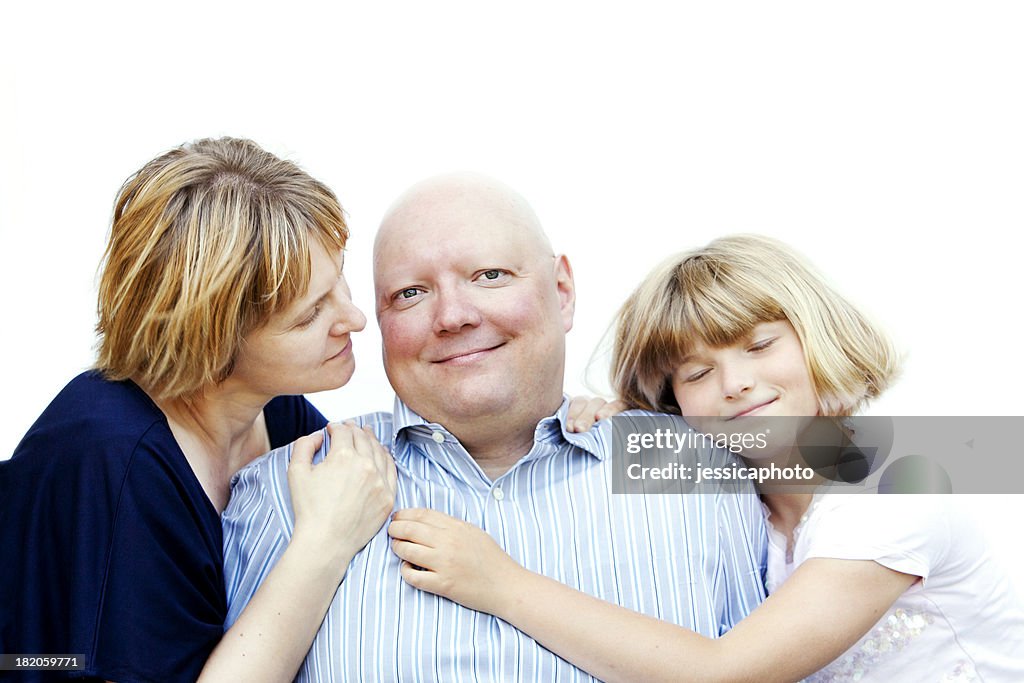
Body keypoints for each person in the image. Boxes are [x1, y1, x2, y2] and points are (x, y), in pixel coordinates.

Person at [388, 234, 1024, 682]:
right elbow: (561, 453)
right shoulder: (745, 480)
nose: (735, 383)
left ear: (816, 335)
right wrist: (619, 418)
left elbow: (726, 674)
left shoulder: (894, 481)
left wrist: (499, 584)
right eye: (697, 372)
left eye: (759, 345)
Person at [222, 174, 768, 681]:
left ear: (561, 291)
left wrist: (650, 417)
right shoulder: (286, 489)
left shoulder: (701, 457)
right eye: (410, 293)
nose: (453, 315)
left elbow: (852, 461)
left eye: (489, 276)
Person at [0, 138, 396, 683]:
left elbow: (381, 484)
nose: (353, 318)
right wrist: (322, 543)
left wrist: (550, 419)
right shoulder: (117, 462)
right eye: (309, 316)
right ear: (209, 342)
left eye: (339, 281)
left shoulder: (271, 413)